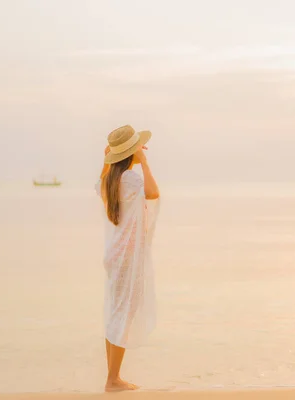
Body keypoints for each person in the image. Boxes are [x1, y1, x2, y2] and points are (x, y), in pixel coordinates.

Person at [95, 125, 160, 392]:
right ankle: (113, 379)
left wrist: (106, 161)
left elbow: (101, 181)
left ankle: (113, 376)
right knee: (124, 312)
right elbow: (154, 192)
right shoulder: (131, 180)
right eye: (137, 147)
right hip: (127, 254)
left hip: (115, 253)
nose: (141, 150)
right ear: (130, 152)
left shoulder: (108, 180)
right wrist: (143, 162)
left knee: (116, 311)